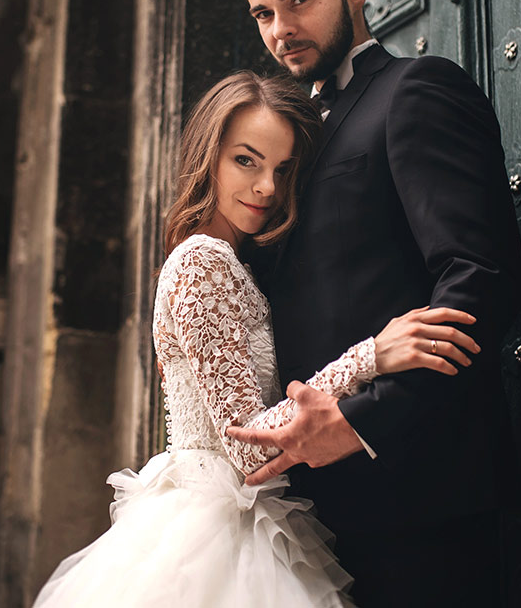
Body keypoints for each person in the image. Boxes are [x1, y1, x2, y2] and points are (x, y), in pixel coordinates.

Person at [32, 71, 484, 607]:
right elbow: (247, 447)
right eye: (246, 160)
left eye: (282, 169)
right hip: (213, 531)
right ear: (208, 156)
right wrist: (371, 355)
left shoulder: (239, 263)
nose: (267, 187)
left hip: (249, 517)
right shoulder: (202, 260)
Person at [220, 0, 521, 606]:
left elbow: (483, 279)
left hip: (416, 494)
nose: (280, 29)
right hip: (305, 511)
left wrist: (361, 422)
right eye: (262, 12)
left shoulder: (415, 90)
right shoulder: (287, 140)